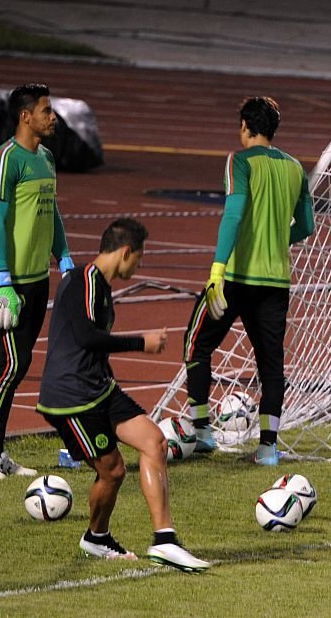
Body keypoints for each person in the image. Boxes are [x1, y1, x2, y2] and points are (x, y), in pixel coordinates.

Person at [37, 218, 209, 572]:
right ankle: (96, 538)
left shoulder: (100, 286)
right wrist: (140, 343)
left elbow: (88, 347)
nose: (139, 266)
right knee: (112, 471)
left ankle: (165, 540)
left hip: (98, 388)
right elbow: (86, 337)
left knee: (155, 441)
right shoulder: (84, 280)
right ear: (126, 251)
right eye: (139, 259)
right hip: (71, 397)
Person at [183, 96, 315, 465]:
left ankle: (203, 432)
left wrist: (216, 272)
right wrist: (277, 240)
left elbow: (234, 214)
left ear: (245, 126)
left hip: (236, 278)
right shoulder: (294, 168)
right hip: (275, 283)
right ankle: (268, 448)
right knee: (271, 366)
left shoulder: (239, 162)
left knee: (196, 345)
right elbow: (307, 225)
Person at [0, 83, 74, 480]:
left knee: (17, 364)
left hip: (36, 281)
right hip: (6, 284)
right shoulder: (3, 161)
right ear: (25, 116)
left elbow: (52, 211)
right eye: (47, 110)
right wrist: (2, 280)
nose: (53, 117)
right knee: (11, 362)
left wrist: (62, 254)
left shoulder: (45, 157)